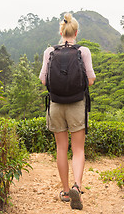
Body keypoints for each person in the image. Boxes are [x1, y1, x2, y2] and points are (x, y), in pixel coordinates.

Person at [39, 13, 96, 210]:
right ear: (76, 32)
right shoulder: (84, 51)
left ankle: (65, 191)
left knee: (61, 148)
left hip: (55, 105)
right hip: (76, 104)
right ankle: (77, 188)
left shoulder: (49, 52)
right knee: (78, 149)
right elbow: (90, 79)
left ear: (61, 32)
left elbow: (43, 80)